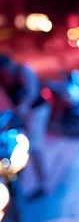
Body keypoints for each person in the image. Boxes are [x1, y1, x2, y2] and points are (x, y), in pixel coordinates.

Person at [0, 54, 51, 197]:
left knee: (35, 146)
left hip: (37, 111)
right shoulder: (3, 79)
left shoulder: (23, 71)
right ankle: (17, 188)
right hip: (21, 115)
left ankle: (43, 183)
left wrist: (22, 107)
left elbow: (32, 93)